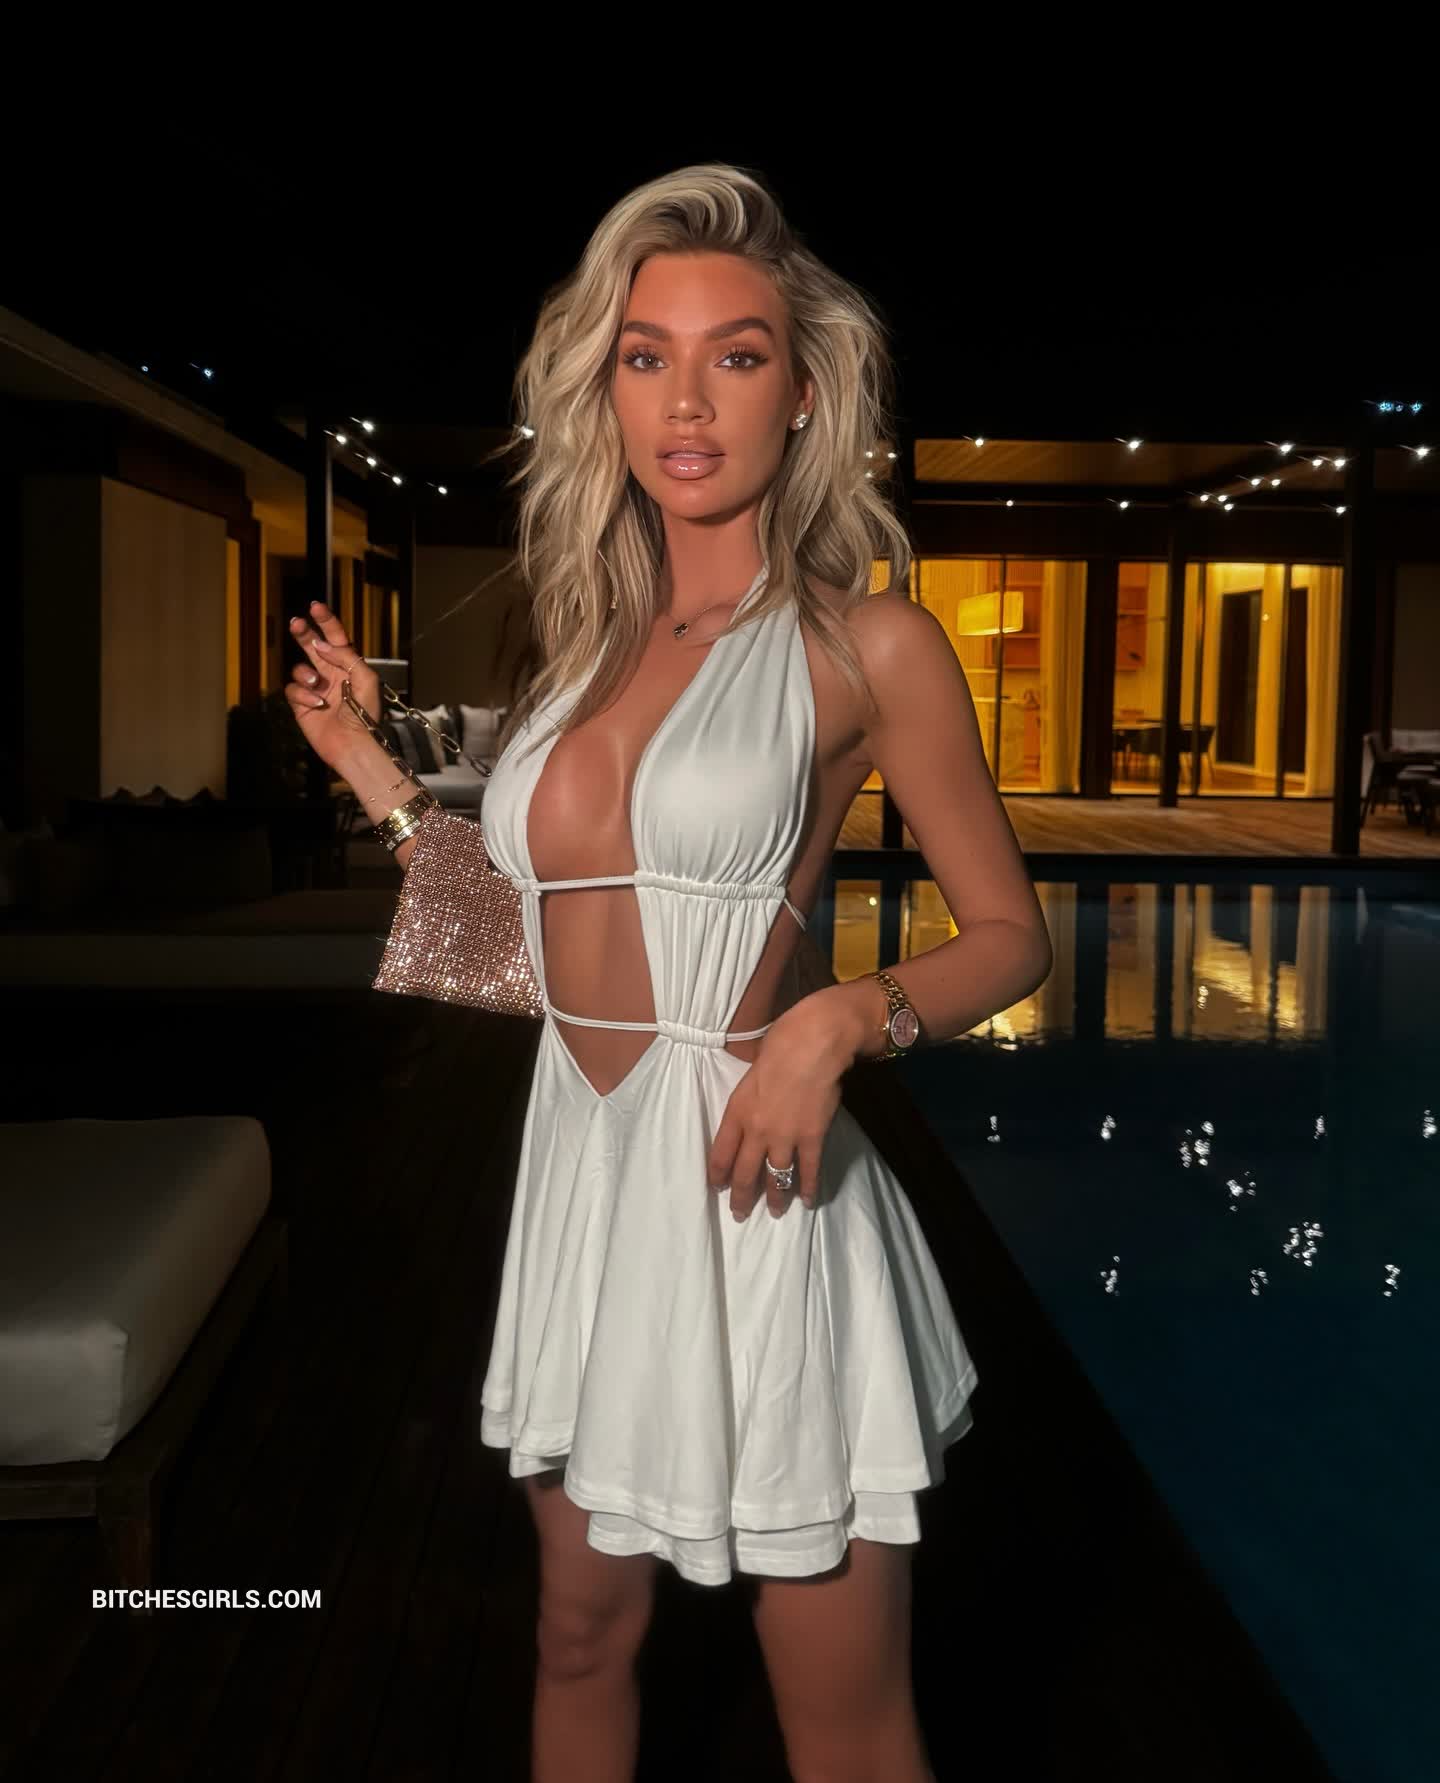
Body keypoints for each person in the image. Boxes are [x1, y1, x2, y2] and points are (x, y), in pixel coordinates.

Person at [286, 163, 1052, 1783]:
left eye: (737, 355)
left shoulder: (870, 644)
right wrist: (367, 765)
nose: (687, 400)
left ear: (805, 390)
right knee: (576, 1637)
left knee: (843, 1719)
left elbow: (1011, 938)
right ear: (607, 388)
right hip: (583, 1182)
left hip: (757, 1192)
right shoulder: (581, 653)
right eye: (646, 356)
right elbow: (532, 954)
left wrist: (840, 1020)